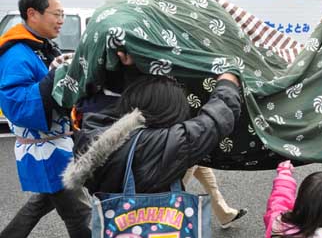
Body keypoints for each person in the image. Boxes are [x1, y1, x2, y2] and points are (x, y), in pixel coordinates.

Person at [0, 0, 91, 238]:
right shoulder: (16, 53)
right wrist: (55, 79)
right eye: (57, 14)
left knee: (45, 200)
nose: (61, 20)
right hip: (44, 146)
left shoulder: (40, 45)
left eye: (63, 14)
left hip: (55, 142)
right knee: (78, 208)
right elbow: (15, 104)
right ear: (32, 14)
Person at [64, 65, 242, 198]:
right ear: (166, 112)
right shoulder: (166, 143)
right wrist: (228, 81)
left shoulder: (92, 132)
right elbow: (217, 118)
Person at [182, 165, 247, 229]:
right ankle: (174, 224)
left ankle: (226, 216)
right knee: (177, 190)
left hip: (199, 158)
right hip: (186, 160)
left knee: (211, 186)